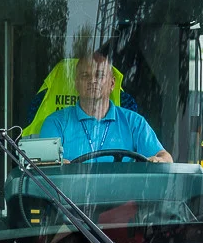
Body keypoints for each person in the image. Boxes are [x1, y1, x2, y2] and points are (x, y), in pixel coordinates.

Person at [39, 52, 173, 164]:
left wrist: (159, 161)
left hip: (123, 195)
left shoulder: (134, 122)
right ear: (76, 84)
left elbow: (165, 157)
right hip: (68, 195)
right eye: (85, 76)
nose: (92, 80)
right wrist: (55, 166)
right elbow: (44, 168)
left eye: (100, 75)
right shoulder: (56, 122)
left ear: (112, 83)